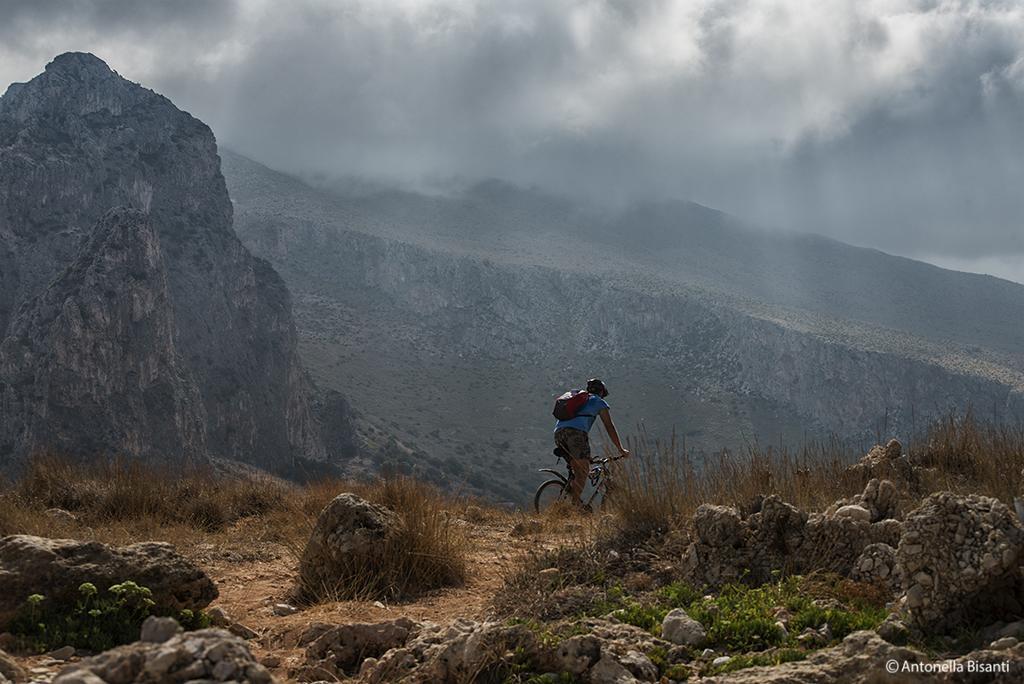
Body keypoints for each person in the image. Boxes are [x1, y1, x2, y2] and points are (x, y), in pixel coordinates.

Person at [553, 378, 629, 506]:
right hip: (576, 434)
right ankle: (574, 508)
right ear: (602, 393)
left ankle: (565, 501)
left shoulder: (580, 399)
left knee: (578, 471)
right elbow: (609, 426)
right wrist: (620, 449)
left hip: (559, 433)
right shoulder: (598, 402)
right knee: (582, 473)